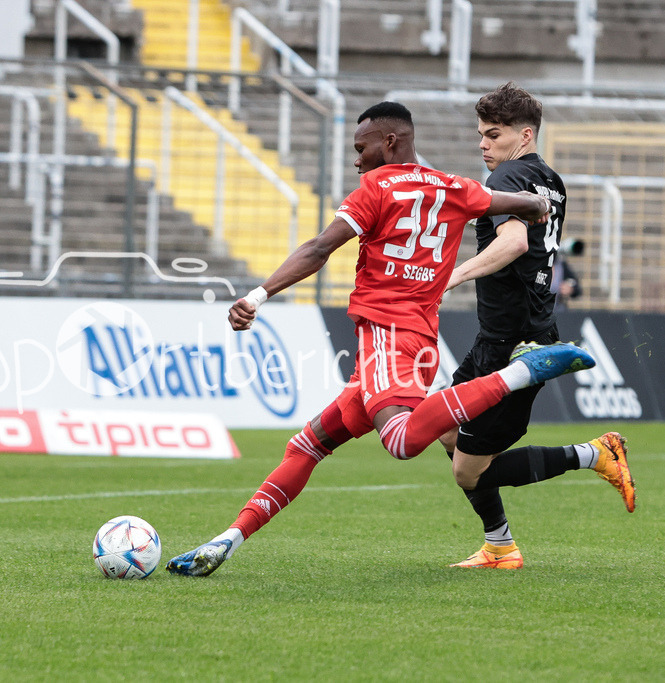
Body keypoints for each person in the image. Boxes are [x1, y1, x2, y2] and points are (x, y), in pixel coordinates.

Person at [166, 101, 595, 577]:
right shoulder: (453, 186)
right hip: (414, 342)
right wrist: (534, 205)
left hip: (388, 337)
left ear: (389, 141)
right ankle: (228, 540)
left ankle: (522, 371)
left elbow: (318, 248)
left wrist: (258, 294)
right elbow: (509, 205)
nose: (357, 158)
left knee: (402, 441)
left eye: (360, 147)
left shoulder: (375, 187)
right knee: (307, 444)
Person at [440, 83, 633, 569]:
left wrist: (454, 276)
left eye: (494, 134)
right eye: (481, 135)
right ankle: (499, 546)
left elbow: (514, 244)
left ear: (523, 135)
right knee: (441, 428)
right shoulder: (552, 180)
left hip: (516, 346)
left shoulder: (505, 176)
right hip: (507, 335)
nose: (483, 144)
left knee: (467, 471)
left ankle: (594, 455)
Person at [552, 239, 583, 314]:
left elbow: (577, 288)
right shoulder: (537, 265)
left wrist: (571, 288)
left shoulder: (561, 265)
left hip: (556, 310)